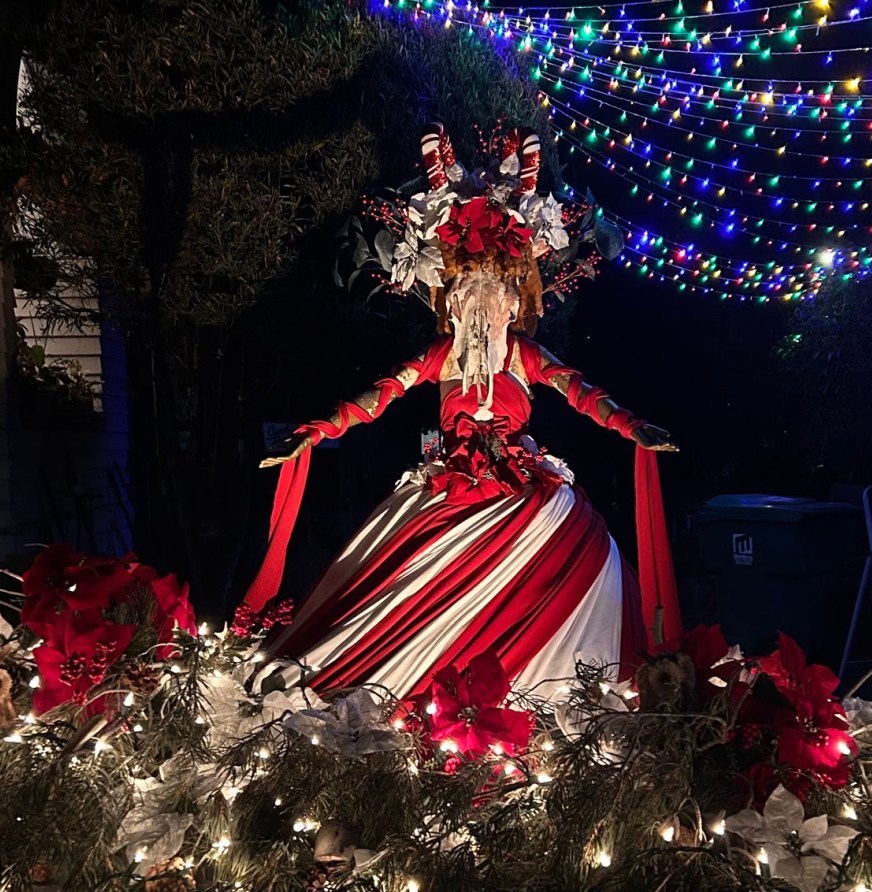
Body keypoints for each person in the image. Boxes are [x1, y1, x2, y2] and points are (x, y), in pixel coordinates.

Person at [241, 124, 682, 700]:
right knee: (398, 578)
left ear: (514, 300)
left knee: (583, 544)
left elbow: (583, 394)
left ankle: (544, 685)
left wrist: (632, 426)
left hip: (523, 482)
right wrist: (316, 432)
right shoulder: (442, 355)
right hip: (450, 480)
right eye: (468, 288)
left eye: (494, 290)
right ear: (451, 298)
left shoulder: (523, 354)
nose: (481, 300)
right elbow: (377, 397)